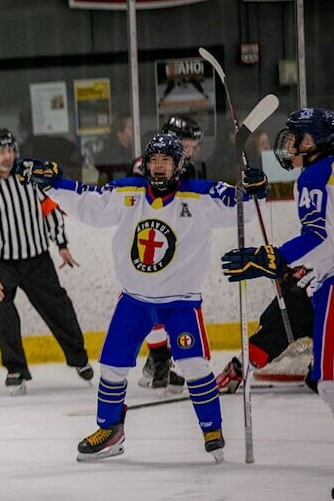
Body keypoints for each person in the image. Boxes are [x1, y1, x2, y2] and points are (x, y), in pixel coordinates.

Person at [20, 133, 267, 463]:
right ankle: (110, 430)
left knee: (193, 365)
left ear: (179, 165)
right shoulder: (128, 193)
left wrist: (256, 191)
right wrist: (54, 184)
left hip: (181, 302)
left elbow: (243, 208)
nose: (160, 167)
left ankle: (212, 427)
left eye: (166, 161)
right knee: (111, 367)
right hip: (134, 301)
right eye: (154, 161)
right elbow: (88, 203)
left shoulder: (200, 196)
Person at [221, 107, 334, 501]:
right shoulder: (325, 172)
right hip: (321, 278)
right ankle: (248, 360)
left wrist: (275, 258)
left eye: (299, 138)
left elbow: (320, 234)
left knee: (329, 381)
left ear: (318, 140)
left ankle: (245, 362)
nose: (291, 145)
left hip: (329, 281)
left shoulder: (316, 175)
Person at [0, 128, 93, 395]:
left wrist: (62, 244)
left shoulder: (30, 177)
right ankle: (15, 368)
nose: (7, 156)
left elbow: (50, 210)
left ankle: (79, 358)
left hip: (37, 259)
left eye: (10, 150)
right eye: (0, 151)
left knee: (59, 307)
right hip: (1, 264)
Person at [132, 114, 208, 392]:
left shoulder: (189, 168)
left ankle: (160, 362)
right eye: (188, 142)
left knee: (169, 306)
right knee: (151, 305)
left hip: (176, 247)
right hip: (149, 244)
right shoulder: (147, 165)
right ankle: (160, 360)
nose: (192, 148)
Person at [215, 265, 315, 393]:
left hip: (302, 294)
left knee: (323, 377)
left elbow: (268, 339)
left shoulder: (295, 295)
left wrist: (237, 369)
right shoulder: (300, 290)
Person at [94, 114, 134, 183]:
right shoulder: (113, 156)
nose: (134, 132)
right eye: (131, 129)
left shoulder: (131, 151)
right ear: (120, 134)